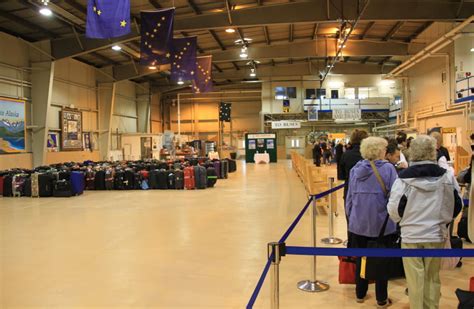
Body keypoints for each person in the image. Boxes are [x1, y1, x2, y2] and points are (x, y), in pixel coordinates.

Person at [387, 135, 462, 309]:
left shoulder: (403, 178)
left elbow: (393, 209)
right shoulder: (447, 177)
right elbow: (456, 205)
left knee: (414, 280)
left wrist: (402, 221)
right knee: (432, 277)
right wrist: (444, 221)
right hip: (436, 234)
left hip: (411, 235)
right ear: (433, 152)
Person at [346, 137, 398, 308]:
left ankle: (360, 294)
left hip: (358, 223)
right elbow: (394, 197)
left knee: (361, 257)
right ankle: (381, 299)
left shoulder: (355, 170)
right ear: (380, 151)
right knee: (382, 260)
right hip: (381, 223)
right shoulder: (389, 169)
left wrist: (351, 217)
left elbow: (350, 198)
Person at [338, 129, 369, 199]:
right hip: (367, 193)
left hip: (350, 191)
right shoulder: (370, 155)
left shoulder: (345, 155)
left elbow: (341, 176)